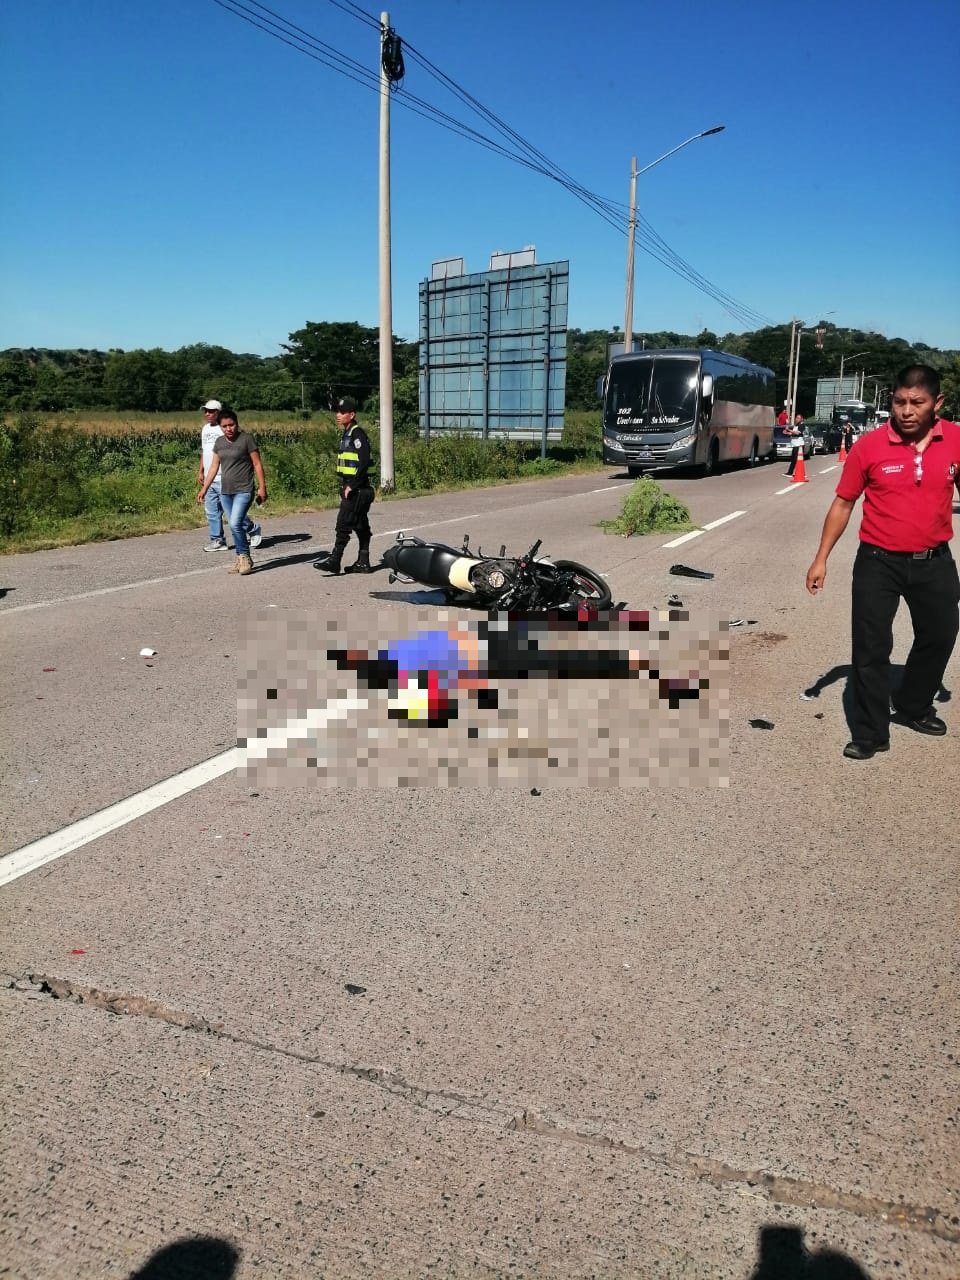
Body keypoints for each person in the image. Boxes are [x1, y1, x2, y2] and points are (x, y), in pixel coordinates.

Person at [805, 365, 960, 760]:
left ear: (937, 403)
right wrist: (821, 558)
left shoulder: (955, 440)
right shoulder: (869, 446)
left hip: (934, 561)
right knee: (871, 647)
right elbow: (843, 503)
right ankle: (871, 732)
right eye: (899, 401)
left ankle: (913, 705)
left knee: (940, 636)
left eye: (917, 403)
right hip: (878, 561)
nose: (907, 411)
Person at [197, 408, 267, 576]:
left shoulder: (246, 439)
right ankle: (240, 558)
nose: (229, 429)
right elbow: (214, 466)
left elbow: (257, 464)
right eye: (224, 426)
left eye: (231, 425)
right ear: (220, 427)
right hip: (226, 491)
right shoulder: (219, 442)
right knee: (234, 525)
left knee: (235, 523)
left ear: (237, 424)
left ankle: (245, 557)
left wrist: (262, 487)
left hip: (244, 489)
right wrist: (204, 488)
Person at [312, 396, 375, 575]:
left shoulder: (357, 433)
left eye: (342, 412)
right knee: (361, 526)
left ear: (352, 414)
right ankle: (363, 562)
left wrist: (352, 485)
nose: (338, 415)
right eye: (337, 412)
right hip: (356, 487)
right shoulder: (347, 433)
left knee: (343, 524)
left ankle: (335, 560)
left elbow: (363, 461)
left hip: (358, 489)